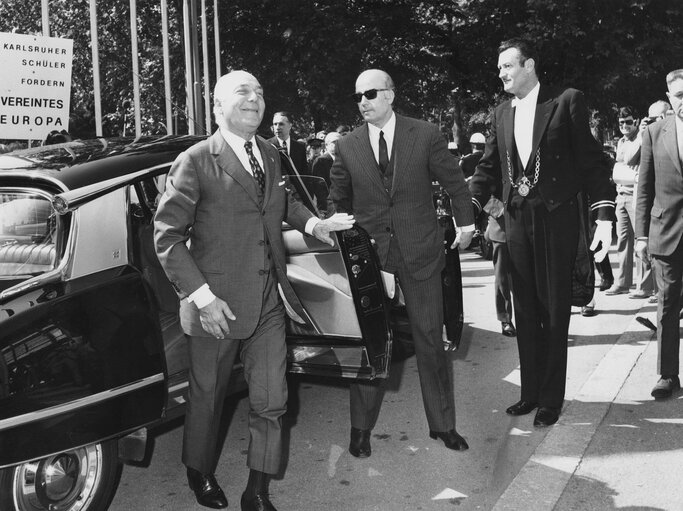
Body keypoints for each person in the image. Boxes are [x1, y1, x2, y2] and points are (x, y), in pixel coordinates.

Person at [154, 70, 354, 510]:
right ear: (217, 106)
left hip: (268, 301)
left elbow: (285, 204)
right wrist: (203, 299)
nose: (254, 99)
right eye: (243, 92)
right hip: (216, 306)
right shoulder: (197, 159)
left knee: (272, 399)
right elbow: (167, 236)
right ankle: (199, 471)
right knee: (207, 398)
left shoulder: (270, 153)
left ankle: (257, 490)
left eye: (260, 93)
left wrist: (316, 224)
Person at [329, 69, 475, 458]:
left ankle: (443, 426)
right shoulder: (347, 145)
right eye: (358, 95)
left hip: (421, 255)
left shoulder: (424, 134)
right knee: (371, 346)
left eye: (371, 93)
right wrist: (343, 236)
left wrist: (467, 223)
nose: (363, 101)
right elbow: (337, 201)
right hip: (373, 263)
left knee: (430, 340)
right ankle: (360, 431)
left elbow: (455, 182)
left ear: (390, 96)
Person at [469, 38, 615, 427]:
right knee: (525, 308)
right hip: (516, 221)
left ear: (529, 65)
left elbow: (591, 160)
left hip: (556, 218)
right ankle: (529, 392)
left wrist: (604, 215)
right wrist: (471, 208)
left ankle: (551, 398)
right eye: (498, 68)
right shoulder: (501, 112)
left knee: (553, 310)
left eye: (506, 66)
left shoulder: (566, 100)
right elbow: (488, 168)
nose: (500, 73)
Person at [635, 69, 683, 400]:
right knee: (666, 305)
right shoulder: (654, 132)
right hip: (666, 231)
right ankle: (667, 375)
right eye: (679, 96)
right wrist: (640, 237)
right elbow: (644, 187)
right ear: (669, 98)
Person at [605, 106, 655, 300]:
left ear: (636, 121)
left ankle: (645, 286)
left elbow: (628, 158)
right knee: (623, 240)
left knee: (640, 241)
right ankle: (623, 282)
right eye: (620, 123)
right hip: (622, 195)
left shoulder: (642, 138)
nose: (624, 126)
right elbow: (621, 162)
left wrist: (641, 133)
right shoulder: (622, 141)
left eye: (628, 122)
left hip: (637, 195)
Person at [483, 196, 516, 336]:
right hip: (501, 226)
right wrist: (499, 209)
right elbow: (478, 189)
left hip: (524, 223)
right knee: (502, 278)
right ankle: (505, 319)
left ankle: (532, 319)